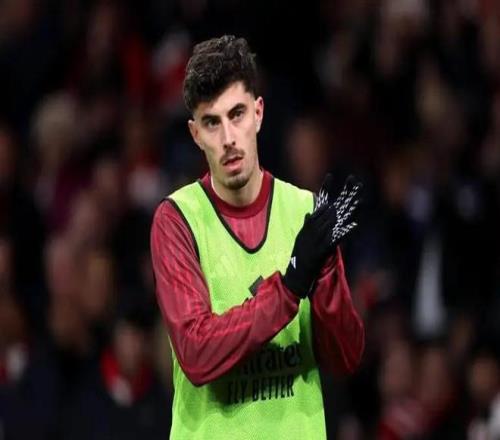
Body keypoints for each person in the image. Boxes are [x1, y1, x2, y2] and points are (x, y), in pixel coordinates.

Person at [150, 34, 365, 439]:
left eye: (237, 114)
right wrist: (289, 289)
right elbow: (196, 353)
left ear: (259, 113)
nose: (228, 138)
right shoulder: (177, 219)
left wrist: (325, 281)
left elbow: (346, 358)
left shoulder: (305, 211)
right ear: (195, 134)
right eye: (212, 122)